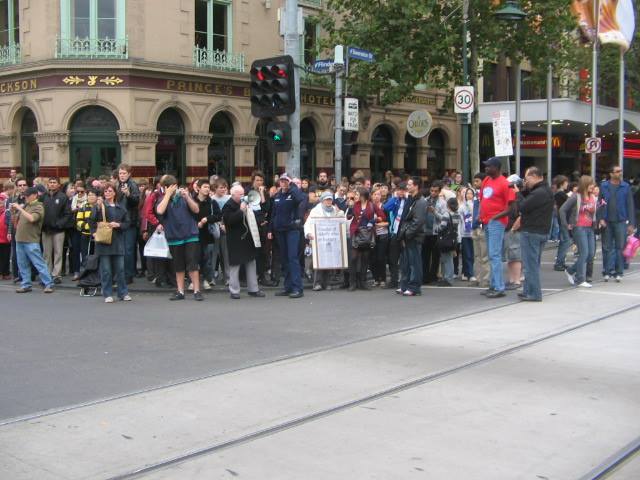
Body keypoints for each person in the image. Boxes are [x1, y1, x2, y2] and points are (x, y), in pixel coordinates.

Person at [155, 175, 203, 301]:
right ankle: (180, 291)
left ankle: (196, 290)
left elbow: (196, 210)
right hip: (174, 236)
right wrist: (167, 195)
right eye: (171, 187)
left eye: (175, 186)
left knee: (192, 264)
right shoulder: (161, 199)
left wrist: (187, 197)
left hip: (190, 235)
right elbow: (160, 211)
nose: (174, 189)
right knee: (178, 266)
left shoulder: (184, 196)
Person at [515, 167, 555, 302]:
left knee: (530, 265)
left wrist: (518, 194)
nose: (526, 182)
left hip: (531, 231)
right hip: (541, 230)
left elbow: (523, 206)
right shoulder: (545, 190)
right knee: (533, 263)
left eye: (526, 179)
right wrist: (525, 190)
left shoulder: (539, 193)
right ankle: (528, 291)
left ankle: (534, 293)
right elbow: (531, 202)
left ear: (533, 176)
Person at [478, 157, 516, 299]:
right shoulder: (487, 180)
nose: (486, 169)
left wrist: (495, 217)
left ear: (496, 168)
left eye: (489, 167)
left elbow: (512, 207)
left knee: (494, 255)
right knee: (491, 254)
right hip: (486, 220)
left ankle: (499, 287)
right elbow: (483, 199)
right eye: (486, 166)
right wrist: (480, 215)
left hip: (496, 221)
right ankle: (494, 285)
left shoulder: (505, 184)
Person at [222, 185, 266, 299]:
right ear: (233, 195)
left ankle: (253, 289)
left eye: (243, 194)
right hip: (235, 240)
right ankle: (234, 290)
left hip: (247, 238)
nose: (243, 196)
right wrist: (241, 210)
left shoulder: (247, 204)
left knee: (251, 262)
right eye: (240, 194)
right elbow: (229, 221)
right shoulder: (228, 206)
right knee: (235, 265)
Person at [90, 184, 132, 303]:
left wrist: (119, 225)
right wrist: (93, 233)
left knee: (120, 269)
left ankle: (123, 293)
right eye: (105, 191)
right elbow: (91, 221)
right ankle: (107, 293)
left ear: (114, 193)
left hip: (117, 241)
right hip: (103, 242)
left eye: (110, 191)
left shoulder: (121, 207)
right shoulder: (99, 206)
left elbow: (127, 223)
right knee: (106, 270)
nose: (107, 193)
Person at [11, 187, 55, 294]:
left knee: (38, 263)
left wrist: (20, 209)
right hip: (20, 239)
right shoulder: (27, 205)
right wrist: (14, 212)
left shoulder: (39, 206)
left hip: (31, 240)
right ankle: (26, 284)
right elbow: (16, 222)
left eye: (27, 195)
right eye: (25, 195)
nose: (25, 197)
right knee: (22, 264)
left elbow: (32, 219)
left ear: (35, 195)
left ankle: (48, 283)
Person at [269, 173, 306, 299]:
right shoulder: (278, 195)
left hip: (292, 230)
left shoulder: (294, 193)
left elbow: (301, 199)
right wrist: (271, 228)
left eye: (286, 181)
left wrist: (292, 187)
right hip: (280, 230)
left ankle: (297, 288)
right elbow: (273, 214)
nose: (283, 183)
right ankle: (288, 287)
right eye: (281, 181)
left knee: (292, 258)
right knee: (284, 259)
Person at [598, 165, 636, 282]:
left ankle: (619, 272)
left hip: (621, 221)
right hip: (607, 220)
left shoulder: (625, 186)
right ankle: (607, 271)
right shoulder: (604, 186)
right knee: (606, 247)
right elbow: (600, 202)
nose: (620, 173)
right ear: (611, 174)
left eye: (620, 171)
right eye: (617, 171)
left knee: (620, 247)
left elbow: (630, 205)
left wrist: (631, 224)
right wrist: (600, 218)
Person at [560, 175, 597, 288]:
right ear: (585, 184)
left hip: (590, 227)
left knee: (590, 254)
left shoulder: (593, 197)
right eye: (591, 184)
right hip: (579, 227)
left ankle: (571, 270)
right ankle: (580, 279)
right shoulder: (576, 197)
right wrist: (565, 224)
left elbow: (594, 211)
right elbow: (562, 210)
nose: (593, 186)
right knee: (584, 253)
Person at [398, 177, 427, 296]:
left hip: (414, 236)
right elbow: (405, 217)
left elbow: (418, 221)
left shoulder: (420, 201)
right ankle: (405, 285)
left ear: (416, 186)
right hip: (407, 235)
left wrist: (407, 233)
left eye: (410, 184)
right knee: (405, 262)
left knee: (414, 263)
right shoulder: (410, 199)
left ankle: (414, 287)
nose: (407, 186)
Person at [41, 176, 71, 284]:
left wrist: (59, 224)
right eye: (50, 182)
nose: (52, 184)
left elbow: (67, 214)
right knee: (46, 254)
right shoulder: (43, 197)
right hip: (45, 229)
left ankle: (56, 275)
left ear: (59, 185)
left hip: (58, 230)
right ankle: (46, 274)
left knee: (58, 253)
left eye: (54, 182)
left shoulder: (63, 197)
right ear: (48, 184)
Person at [347, 188, 378, 291]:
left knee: (365, 258)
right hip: (356, 232)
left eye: (357, 194)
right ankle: (352, 283)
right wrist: (350, 207)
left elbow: (381, 216)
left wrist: (372, 221)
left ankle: (362, 282)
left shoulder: (371, 205)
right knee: (353, 258)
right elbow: (348, 217)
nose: (355, 196)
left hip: (367, 234)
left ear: (363, 195)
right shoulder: (355, 205)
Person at [194, 179, 221, 291]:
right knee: (194, 259)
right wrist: (196, 223)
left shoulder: (212, 202)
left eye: (208, 187)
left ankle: (207, 280)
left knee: (207, 259)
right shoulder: (192, 201)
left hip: (208, 235)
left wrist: (206, 219)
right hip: (194, 234)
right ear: (198, 188)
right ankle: (193, 282)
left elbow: (218, 216)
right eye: (205, 187)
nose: (207, 189)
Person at [115, 164, 141, 284]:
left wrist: (128, 195)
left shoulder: (132, 185)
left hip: (130, 221)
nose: (122, 175)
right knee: (120, 249)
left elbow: (136, 201)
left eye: (124, 173)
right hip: (119, 221)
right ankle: (121, 273)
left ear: (129, 174)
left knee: (128, 249)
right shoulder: (117, 185)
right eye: (120, 173)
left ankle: (128, 275)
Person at [383, 182, 409, 290]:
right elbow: (385, 207)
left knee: (406, 259)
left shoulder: (409, 201)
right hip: (395, 232)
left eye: (403, 190)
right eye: (399, 190)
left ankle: (406, 280)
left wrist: (408, 198)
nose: (401, 192)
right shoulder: (396, 201)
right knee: (393, 258)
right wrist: (395, 198)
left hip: (406, 233)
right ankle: (394, 280)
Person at [423, 180, 447, 284]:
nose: (433, 193)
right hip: (425, 232)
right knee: (425, 255)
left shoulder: (442, 203)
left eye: (435, 191)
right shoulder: (425, 200)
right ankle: (425, 276)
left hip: (436, 232)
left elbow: (444, 218)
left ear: (439, 192)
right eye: (431, 190)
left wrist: (435, 212)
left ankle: (433, 276)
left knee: (436, 256)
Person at [436, 197, 462, 286]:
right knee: (449, 258)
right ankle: (448, 277)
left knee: (446, 259)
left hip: (445, 239)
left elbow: (442, 226)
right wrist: (436, 213)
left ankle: (448, 278)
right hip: (453, 239)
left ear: (448, 205)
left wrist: (436, 229)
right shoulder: (457, 214)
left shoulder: (447, 214)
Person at [370, 187, 389, 287]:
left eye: (378, 194)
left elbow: (388, 222)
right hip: (372, 235)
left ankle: (383, 278)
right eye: (375, 194)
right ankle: (376, 278)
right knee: (373, 258)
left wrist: (378, 224)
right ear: (371, 196)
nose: (377, 196)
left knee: (381, 257)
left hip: (382, 235)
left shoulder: (384, 207)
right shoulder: (369, 207)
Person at [552, 175, 570, 271]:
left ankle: (561, 261)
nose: (567, 184)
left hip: (562, 219)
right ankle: (559, 262)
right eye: (566, 182)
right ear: (562, 183)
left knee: (565, 240)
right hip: (563, 219)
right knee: (565, 241)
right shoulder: (561, 194)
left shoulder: (559, 194)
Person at [458, 186, 475, 282]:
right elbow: (460, 221)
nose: (469, 195)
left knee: (472, 255)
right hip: (465, 233)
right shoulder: (461, 207)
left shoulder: (475, 205)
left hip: (474, 232)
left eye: (471, 193)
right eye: (467, 193)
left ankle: (466, 272)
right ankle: (470, 274)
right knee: (467, 254)